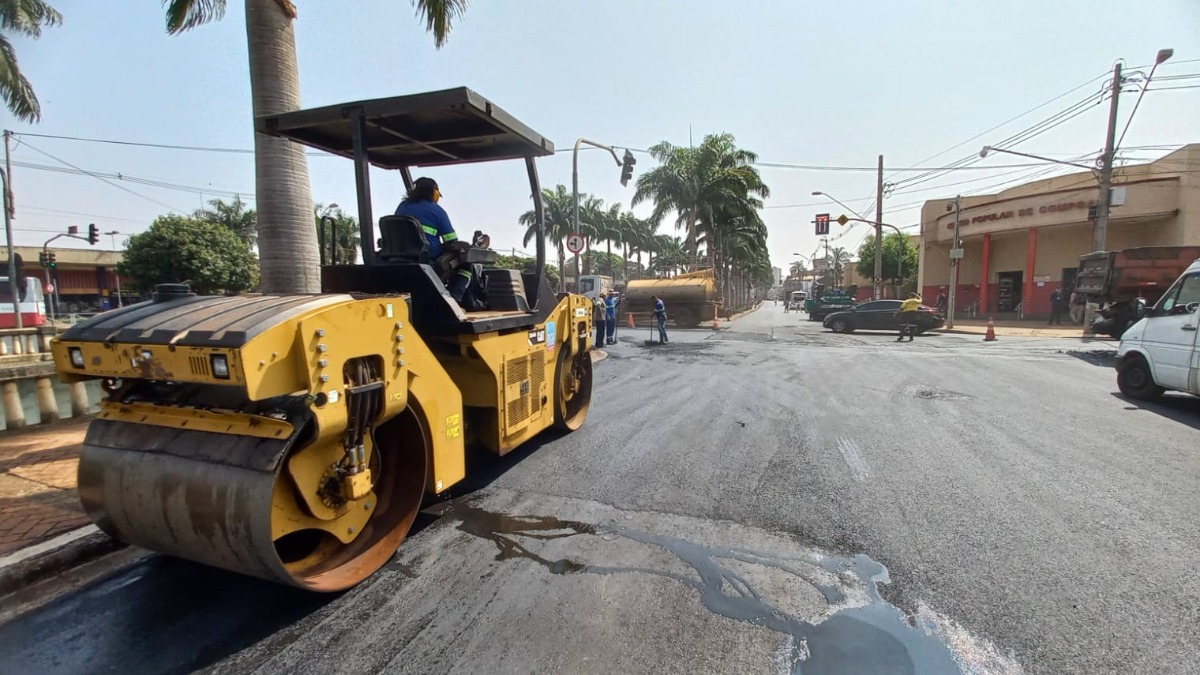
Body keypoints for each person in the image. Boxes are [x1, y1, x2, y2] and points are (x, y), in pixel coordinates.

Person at [394, 177, 471, 302]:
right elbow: (452, 241)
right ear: (433, 191)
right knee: (467, 265)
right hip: (428, 257)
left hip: (399, 256)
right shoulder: (436, 210)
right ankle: (453, 299)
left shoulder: (402, 207)